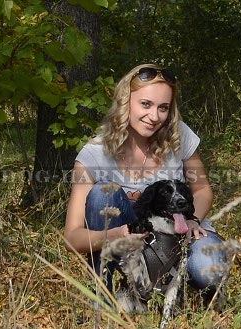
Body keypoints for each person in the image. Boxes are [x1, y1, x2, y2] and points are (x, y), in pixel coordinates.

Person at [64, 63, 225, 300]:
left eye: (163, 108)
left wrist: (192, 219)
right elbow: (72, 237)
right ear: (125, 101)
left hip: (180, 234)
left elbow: (202, 190)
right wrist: (116, 235)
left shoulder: (178, 135)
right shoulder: (94, 154)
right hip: (129, 243)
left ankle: (178, 290)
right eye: (145, 104)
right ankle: (104, 299)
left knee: (209, 270)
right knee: (102, 194)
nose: (154, 116)